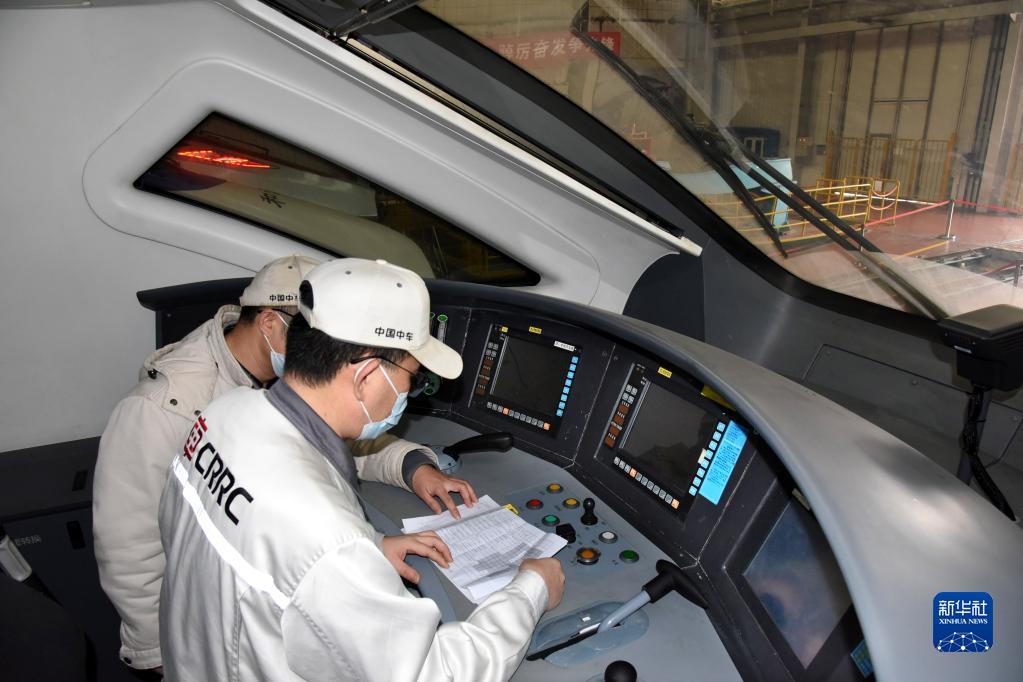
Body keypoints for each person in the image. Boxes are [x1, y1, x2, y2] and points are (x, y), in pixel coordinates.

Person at [157, 258, 565, 681]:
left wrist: (369, 549)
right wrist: (531, 591)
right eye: (412, 377)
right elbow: (436, 673)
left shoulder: (223, 413)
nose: (409, 391)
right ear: (366, 375)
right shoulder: (330, 545)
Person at [94, 255, 475, 674]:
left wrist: (404, 478)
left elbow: (323, 440)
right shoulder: (164, 409)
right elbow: (130, 554)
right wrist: (160, 657)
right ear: (269, 322)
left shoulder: (232, 408)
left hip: (213, 640)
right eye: (411, 379)